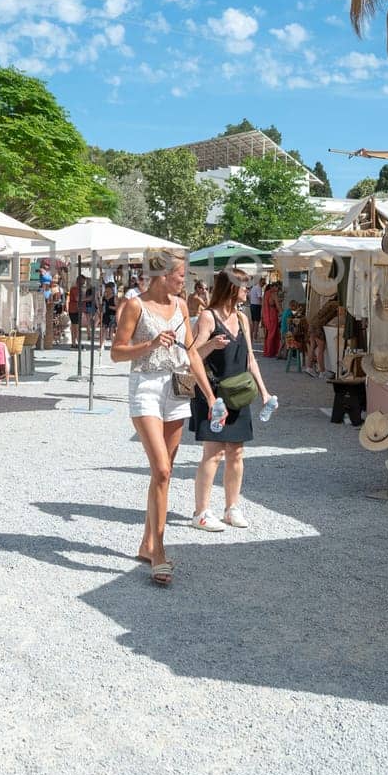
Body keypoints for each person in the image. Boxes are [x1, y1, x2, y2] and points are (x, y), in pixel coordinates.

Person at [111, 247, 219, 588]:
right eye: (179, 275)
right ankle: (159, 552)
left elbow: (189, 353)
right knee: (160, 469)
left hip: (179, 387)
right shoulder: (135, 306)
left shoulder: (182, 306)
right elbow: (116, 352)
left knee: (165, 474)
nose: (183, 280)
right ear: (162, 275)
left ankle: (147, 543)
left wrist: (212, 396)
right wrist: (153, 343)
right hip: (145, 385)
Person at [188, 267, 274, 533]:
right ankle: (201, 512)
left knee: (237, 452)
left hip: (238, 393)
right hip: (214, 395)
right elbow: (192, 355)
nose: (247, 290)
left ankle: (231, 507)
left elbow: (250, 359)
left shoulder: (243, 318)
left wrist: (264, 392)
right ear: (230, 287)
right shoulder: (208, 317)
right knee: (213, 454)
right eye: (243, 285)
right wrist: (211, 346)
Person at [262, 280, 283, 359]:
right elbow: (278, 306)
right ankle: (271, 352)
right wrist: (283, 313)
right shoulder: (274, 294)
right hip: (272, 315)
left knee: (268, 335)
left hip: (266, 316)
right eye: (278, 287)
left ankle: (268, 351)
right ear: (275, 287)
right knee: (273, 334)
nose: (279, 289)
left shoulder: (266, 293)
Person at [100, 282, 119, 348]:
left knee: (111, 332)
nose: (106, 290)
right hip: (105, 315)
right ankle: (102, 345)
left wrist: (109, 307)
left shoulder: (115, 297)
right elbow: (102, 307)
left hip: (112, 316)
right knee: (103, 330)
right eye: (106, 289)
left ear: (111, 289)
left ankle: (114, 346)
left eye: (108, 289)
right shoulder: (104, 297)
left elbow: (118, 308)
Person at [67, 276, 82, 348]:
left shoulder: (76, 289)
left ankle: (74, 343)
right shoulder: (75, 289)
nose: (84, 283)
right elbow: (77, 299)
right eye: (83, 281)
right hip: (74, 310)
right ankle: (77, 343)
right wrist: (87, 298)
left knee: (74, 327)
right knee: (76, 327)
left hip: (74, 309)